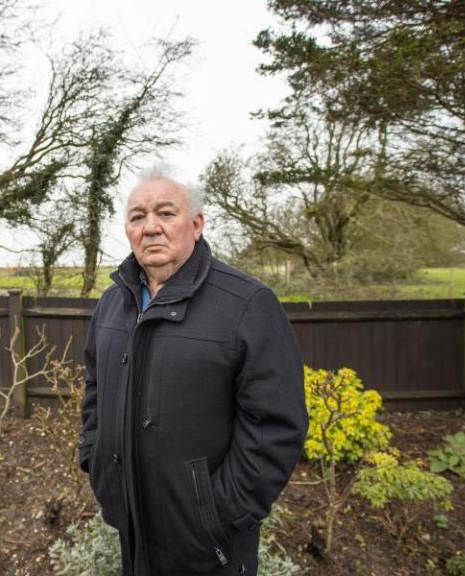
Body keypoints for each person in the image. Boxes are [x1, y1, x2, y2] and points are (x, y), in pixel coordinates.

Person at [78, 168, 309, 576]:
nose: (150, 227)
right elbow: (95, 388)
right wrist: (95, 459)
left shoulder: (247, 305)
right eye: (137, 216)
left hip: (209, 545)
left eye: (166, 213)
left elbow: (276, 425)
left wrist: (216, 512)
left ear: (197, 224)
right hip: (132, 525)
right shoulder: (113, 304)